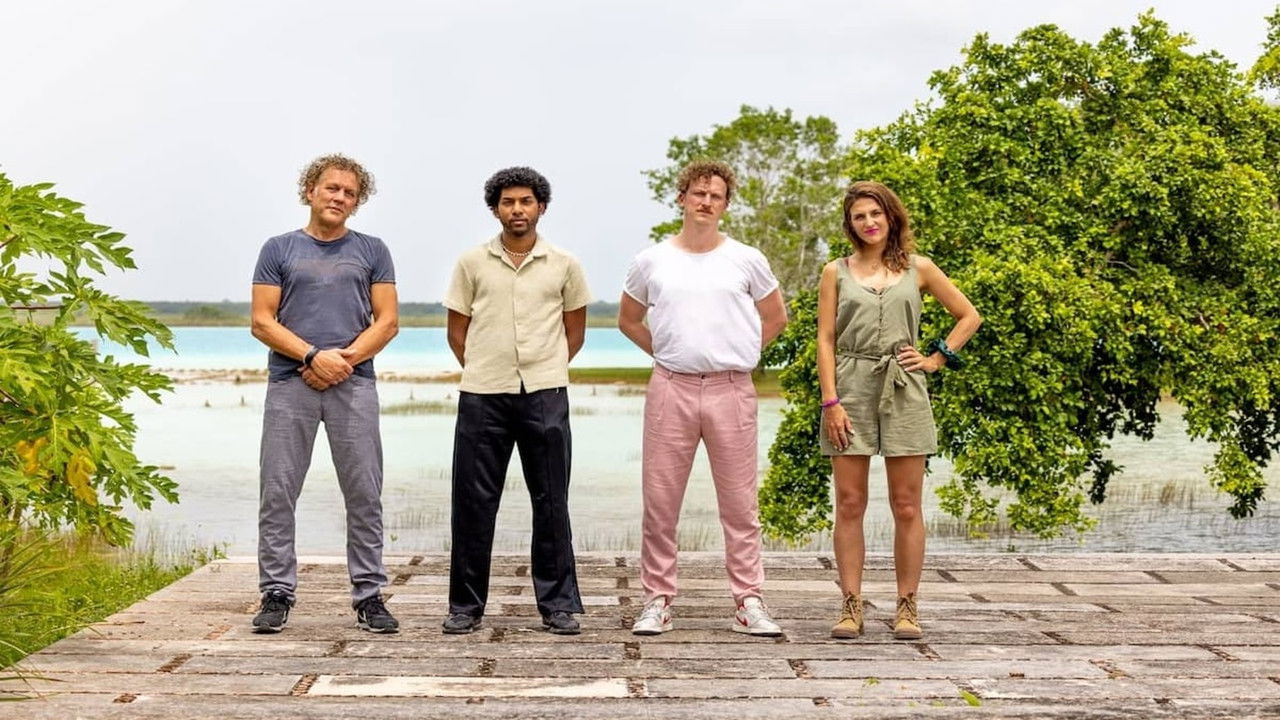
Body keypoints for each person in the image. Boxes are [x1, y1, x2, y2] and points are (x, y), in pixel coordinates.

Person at [618, 160, 789, 637]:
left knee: (740, 503)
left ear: (725, 205)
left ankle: (748, 601)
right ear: (682, 198)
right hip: (670, 387)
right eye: (698, 193)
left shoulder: (746, 258)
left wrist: (742, 353)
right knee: (660, 501)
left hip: (731, 389)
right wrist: (667, 353)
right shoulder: (651, 260)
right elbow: (628, 320)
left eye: (715, 196)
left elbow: (776, 317)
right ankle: (657, 600)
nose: (706, 202)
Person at [817, 180, 981, 640]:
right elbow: (825, 340)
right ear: (850, 225)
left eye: (876, 213)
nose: (868, 222)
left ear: (891, 216)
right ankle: (850, 604)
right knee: (850, 503)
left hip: (905, 387)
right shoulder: (835, 272)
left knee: (906, 505)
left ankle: (907, 605)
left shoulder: (919, 268)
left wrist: (936, 359)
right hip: (850, 387)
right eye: (859, 216)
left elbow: (969, 316)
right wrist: (831, 402)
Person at [249, 154, 400, 634]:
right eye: (332, 188)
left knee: (364, 493)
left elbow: (387, 322)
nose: (339, 197)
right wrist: (313, 357)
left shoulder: (373, 250)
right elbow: (262, 321)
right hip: (289, 384)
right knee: (278, 491)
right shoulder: (278, 249)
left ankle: (369, 594)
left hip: (354, 385)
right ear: (310, 190)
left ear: (357, 202)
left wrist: (341, 362)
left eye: (350, 193)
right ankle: (276, 593)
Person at [441, 166, 590, 636]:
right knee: (473, 502)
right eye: (508, 202)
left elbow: (574, 331)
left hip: (545, 394)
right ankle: (465, 606)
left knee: (551, 501)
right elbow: (457, 332)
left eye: (526, 201)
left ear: (541, 206)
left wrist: (545, 368)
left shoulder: (564, 263)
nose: (517, 209)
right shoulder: (471, 263)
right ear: (495, 209)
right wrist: (487, 368)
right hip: (482, 395)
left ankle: (558, 605)